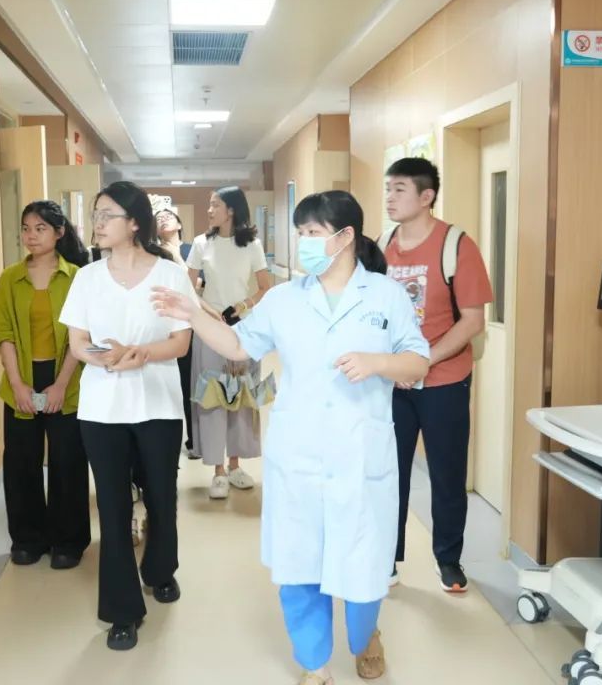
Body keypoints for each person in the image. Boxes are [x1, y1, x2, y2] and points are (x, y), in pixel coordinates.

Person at [153, 191, 430, 685]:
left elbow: (418, 362)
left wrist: (378, 362)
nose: (304, 242)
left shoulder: (386, 295)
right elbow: (238, 344)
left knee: (363, 564)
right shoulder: (284, 299)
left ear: (345, 236)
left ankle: (366, 634)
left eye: (313, 233)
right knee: (300, 565)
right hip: (299, 454)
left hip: (359, 454)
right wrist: (193, 315)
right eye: (301, 233)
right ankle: (314, 663)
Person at [60, 181, 196, 652]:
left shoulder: (170, 274)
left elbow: (181, 342)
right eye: (95, 215)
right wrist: (104, 357)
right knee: (113, 507)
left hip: (158, 403)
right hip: (102, 408)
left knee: (161, 494)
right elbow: (77, 343)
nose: (97, 224)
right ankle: (122, 611)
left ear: (135, 223)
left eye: (107, 215)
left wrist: (140, 353)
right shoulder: (87, 278)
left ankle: (160, 569)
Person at [382, 157, 493, 593]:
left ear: (426, 196)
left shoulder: (456, 245)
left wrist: (423, 361)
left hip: (443, 380)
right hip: (392, 383)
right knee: (388, 473)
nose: (389, 197)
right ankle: (386, 558)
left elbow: (473, 320)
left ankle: (448, 559)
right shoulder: (383, 245)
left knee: (447, 474)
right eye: (388, 188)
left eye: (400, 189)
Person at [0, 200, 91, 570]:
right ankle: (27, 538)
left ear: (59, 232)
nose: (31, 236)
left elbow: (83, 333)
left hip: (67, 377)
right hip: (21, 376)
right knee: (21, 461)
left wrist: (61, 384)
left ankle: (68, 541)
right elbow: (4, 332)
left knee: (67, 461)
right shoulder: (9, 278)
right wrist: (17, 383)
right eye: (26, 228)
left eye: (40, 228)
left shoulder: (77, 277)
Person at [185, 186, 271, 499]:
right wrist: (211, 313)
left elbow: (264, 287)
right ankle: (218, 470)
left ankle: (235, 465)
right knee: (212, 397)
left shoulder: (252, 245)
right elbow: (187, 286)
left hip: (244, 330)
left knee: (240, 395)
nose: (209, 210)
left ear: (231, 210)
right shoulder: (201, 243)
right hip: (210, 329)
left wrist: (242, 306)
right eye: (210, 205)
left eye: (215, 205)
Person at [155, 207, 200, 461]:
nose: (163, 220)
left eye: (168, 216)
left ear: (180, 224)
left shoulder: (191, 249)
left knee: (188, 382)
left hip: (190, 322)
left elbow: (198, 283)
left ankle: (193, 439)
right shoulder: (155, 252)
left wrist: (177, 257)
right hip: (163, 326)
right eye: (158, 218)